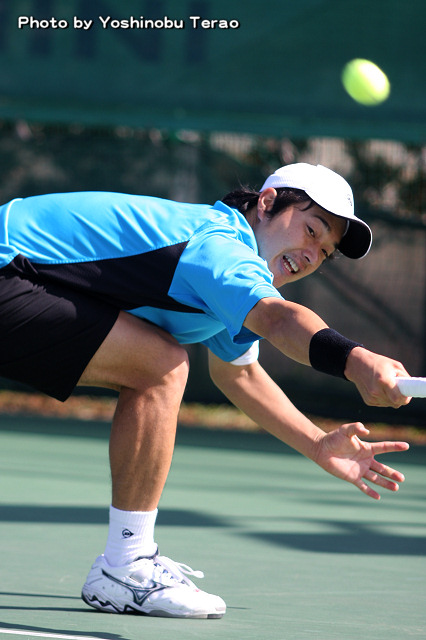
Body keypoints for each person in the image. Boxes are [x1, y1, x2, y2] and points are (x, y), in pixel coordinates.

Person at [0, 162, 411, 619]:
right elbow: (278, 320)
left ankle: (126, 563)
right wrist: (355, 360)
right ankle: (126, 566)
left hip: (18, 279)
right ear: (267, 204)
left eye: (325, 251)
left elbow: (239, 375)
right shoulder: (218, 246)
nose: (313, 254)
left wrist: (317, 443)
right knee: (160, 365)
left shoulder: (231, 278)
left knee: (158, 363)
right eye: (312, 230)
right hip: (8, 270)